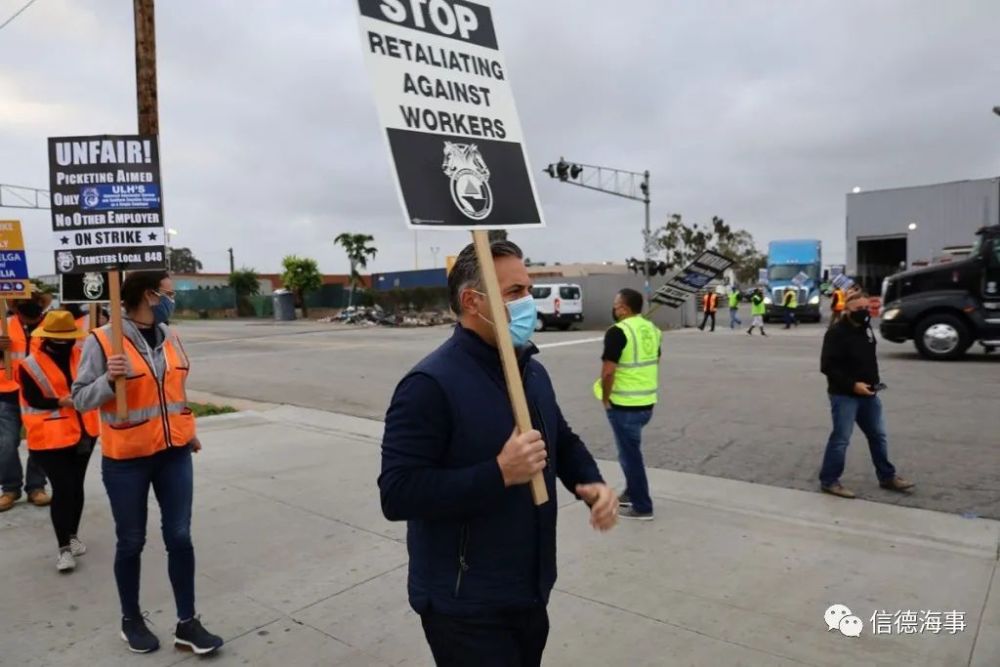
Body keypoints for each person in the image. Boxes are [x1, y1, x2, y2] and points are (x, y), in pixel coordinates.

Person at [379, 240, 618, 666]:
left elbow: (559, 438)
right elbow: (398, 493)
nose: (529, 302)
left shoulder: (531, 370)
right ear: (472, 301)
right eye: (514, 293)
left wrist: (592, 484)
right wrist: (499, 472)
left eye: (528, 289)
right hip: (465, 605)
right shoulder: (429, 385)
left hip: (529, 591)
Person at [73, 271, 223, 656]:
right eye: (168, 294)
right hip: (127, 458)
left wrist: (186, 430)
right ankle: (131, 619)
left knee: (180, 537)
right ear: (148, 295)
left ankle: (187, 622)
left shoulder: (171, 335)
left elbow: (174, 391)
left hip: (173, 453)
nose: (174, 301)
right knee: (132, 541)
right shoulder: (103, 339)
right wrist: (108, 379)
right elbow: (80, 399)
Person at [19, 310, 100, 572]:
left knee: (76, 487)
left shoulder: (81, 356)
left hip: (84, 431)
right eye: (59, 337)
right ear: (47, 336)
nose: (64, 342)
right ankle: (63, 548)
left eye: (68, 337)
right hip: (50, 438)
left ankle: (73, 536)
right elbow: (33, 399)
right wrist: (61, 401)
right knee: (63, 489)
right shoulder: (30, 364)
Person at [818, 291, 914, 499]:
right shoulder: (836, 333)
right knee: (841, 438)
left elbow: (869, 360)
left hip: (869, 394)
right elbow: (827, 366)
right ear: (847, 310)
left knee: (878, 436)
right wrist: (853, 385)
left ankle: (887, 476)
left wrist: (874, 384)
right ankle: (829, 480)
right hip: (845, 395)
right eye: (859, 309)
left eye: (867, 308)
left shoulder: (866, 329)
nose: (864, 312)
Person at [598, 288, 661, 520]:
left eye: (616, 305)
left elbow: (608, 372)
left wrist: (606, 399)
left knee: (629, 456)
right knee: (630, 450)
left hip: (624, 404)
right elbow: (655, 360)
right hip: (647, 403)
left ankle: (643, 506)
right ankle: (630, 492)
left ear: (623, 308)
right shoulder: (652, 329)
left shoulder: (617, 332)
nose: (614, 309)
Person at [0, 289, 51, 512]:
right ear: (14, 305)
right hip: (7, 392)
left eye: (33, 301)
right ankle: (10, 488)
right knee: (6, 443)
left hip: (39, 395)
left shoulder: (51, 326)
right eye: (22, 301)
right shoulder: (4, 325)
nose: (29, 304)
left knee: (40, 443)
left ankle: (36, 487)